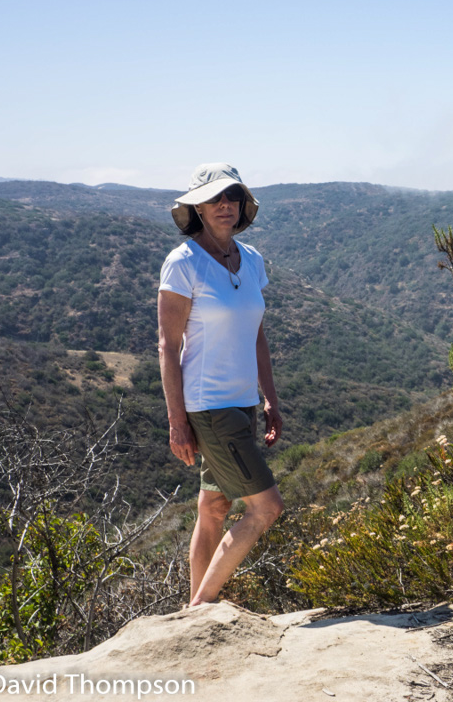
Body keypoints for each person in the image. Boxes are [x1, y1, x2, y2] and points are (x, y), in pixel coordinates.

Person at [157, 163, 284, 607]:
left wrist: (269, 397)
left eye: (230, 196)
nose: (223, 205)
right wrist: (177, 421)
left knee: (213, 508)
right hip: (208, 404)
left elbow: (258, 335)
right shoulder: (183, 263)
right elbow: (167, 347)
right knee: (266, 509)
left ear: (241, 203)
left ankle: (193, 608)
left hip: (242, 402)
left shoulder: (251, 260)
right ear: (197, 208)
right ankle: (200, 608)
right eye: (213, 199)